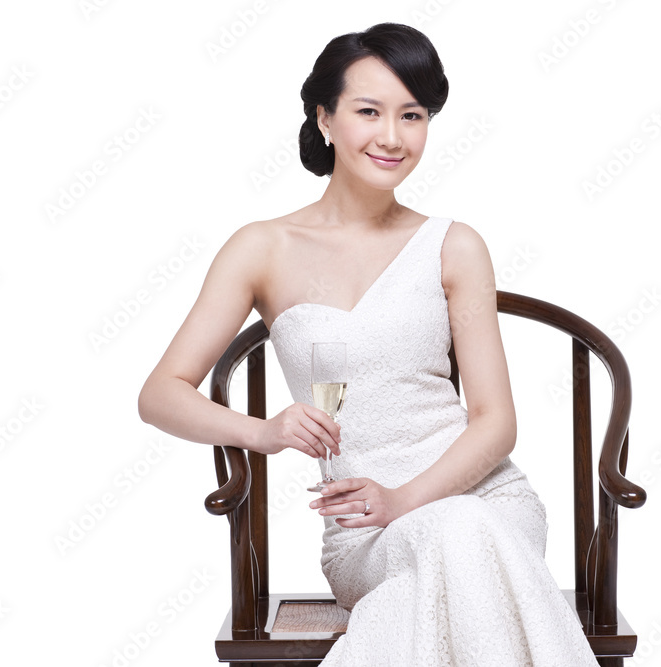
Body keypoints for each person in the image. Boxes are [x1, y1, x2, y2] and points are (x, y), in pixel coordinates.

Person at [138, 22, 599, 666]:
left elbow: (496, 424)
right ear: (325, 119)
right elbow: (160, 394)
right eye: (368, 111)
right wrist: (266, 432)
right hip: (362, 532)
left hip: (487, 506)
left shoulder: (453, 243)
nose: (392, 136)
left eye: (412, 115)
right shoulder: (263, 247)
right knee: (442, 559)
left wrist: (405, 499)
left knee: (460, 533)